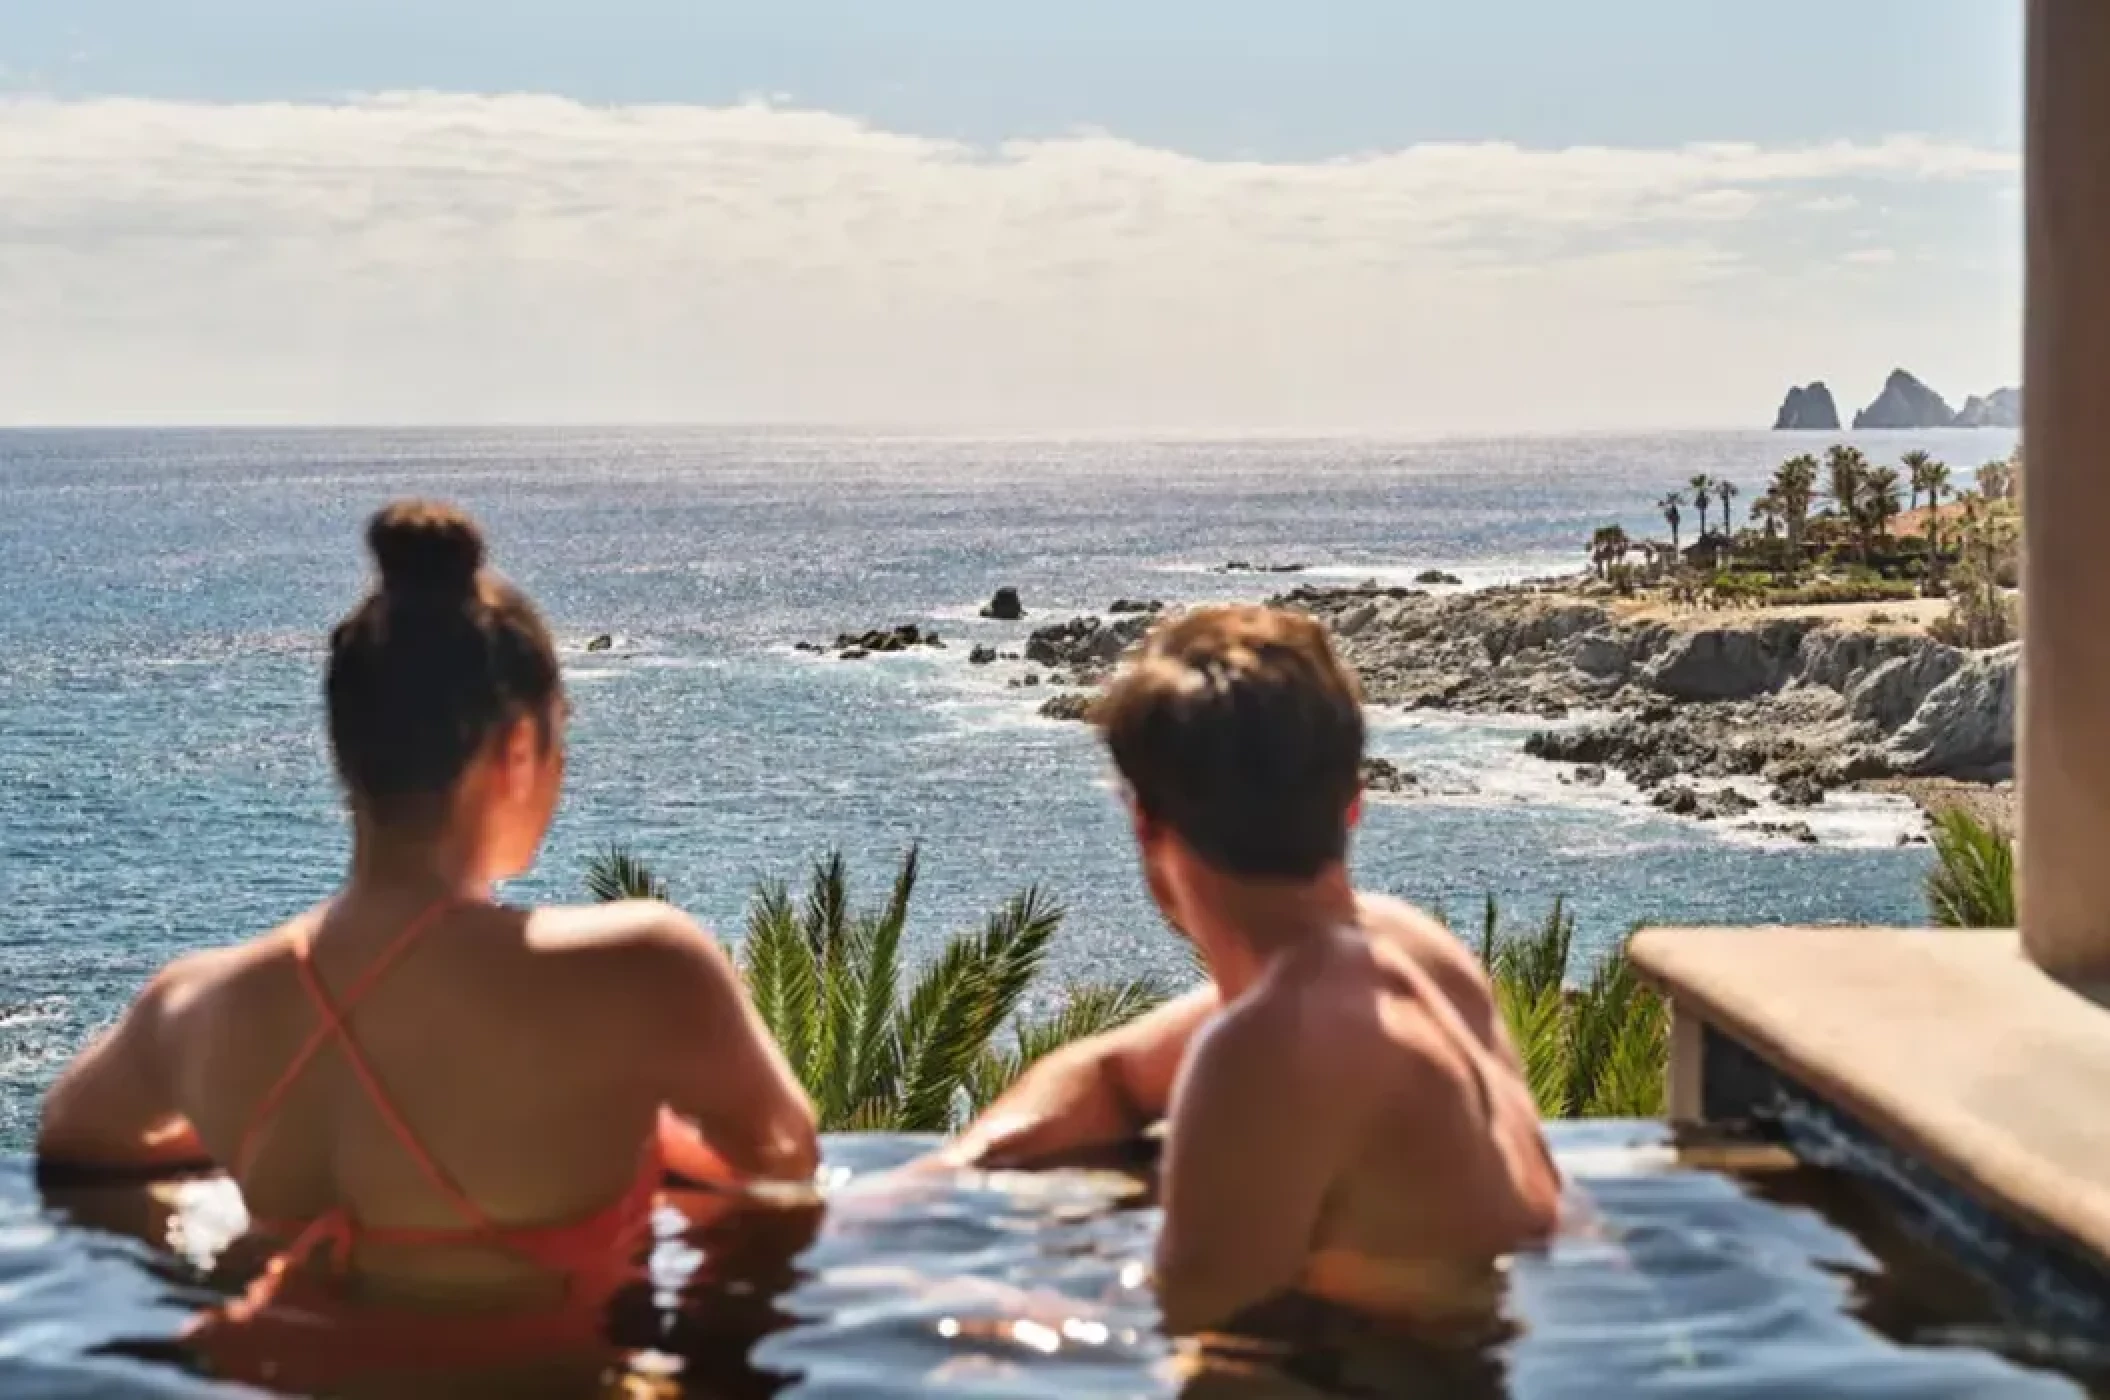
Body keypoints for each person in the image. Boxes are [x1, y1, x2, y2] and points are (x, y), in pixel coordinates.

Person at [37, 501, 817, 1389]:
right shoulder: (641, 964)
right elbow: (782, 1154)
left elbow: (77, 1135)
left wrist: (240, 1216)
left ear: (347, 748)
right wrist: (652, 1146)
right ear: (519, 746)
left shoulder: (196, 1006)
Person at [943, 604, 1561, 1335]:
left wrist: (955, 1318)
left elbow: (1191, 1342)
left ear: (1146, 823)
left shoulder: (1269, 1052)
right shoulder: (1406, 948)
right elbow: (1111, 1072)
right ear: (1353, 801)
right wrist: (934, 1187)